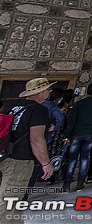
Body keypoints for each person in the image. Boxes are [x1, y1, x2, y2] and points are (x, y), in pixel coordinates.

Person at [0, 78, 55, 221]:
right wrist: (45, 163)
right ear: (41, 92)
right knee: (8, 203)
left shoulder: (14, 106)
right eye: (48, 89)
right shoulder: (39, 110)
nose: (50, 92)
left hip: (5, 156)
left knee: (15, 203)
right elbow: (36, 139)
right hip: (20, 161)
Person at [62, 82, 92, 192]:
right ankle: (80, 183)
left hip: (76, 134)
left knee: (72, 159)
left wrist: (67, 135)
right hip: (90, 134)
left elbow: (72, 121)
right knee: (84, 158)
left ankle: (66, 185)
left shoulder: (78, 104)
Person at [24, 87, 65, 198]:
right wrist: (55, 128)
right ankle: (26, 193)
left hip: (24, 141)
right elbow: (60, 118)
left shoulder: (23, 106)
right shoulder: (49, 106)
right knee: (38, 163)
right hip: (41, 138)